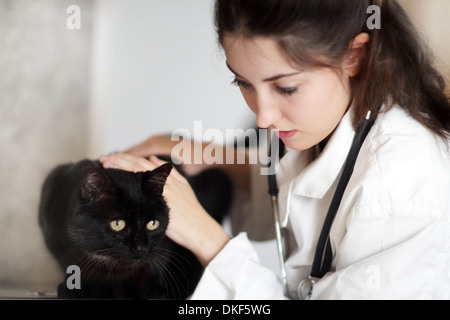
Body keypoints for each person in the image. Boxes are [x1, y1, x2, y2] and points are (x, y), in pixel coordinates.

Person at [99, 0, 450, 299]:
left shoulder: (400, 181)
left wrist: (207, 239)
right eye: (243, 83)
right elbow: (302, 187)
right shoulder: (337, 122)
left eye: (286, 88)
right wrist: (201, 152)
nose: (263, 117)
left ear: (354, 56)